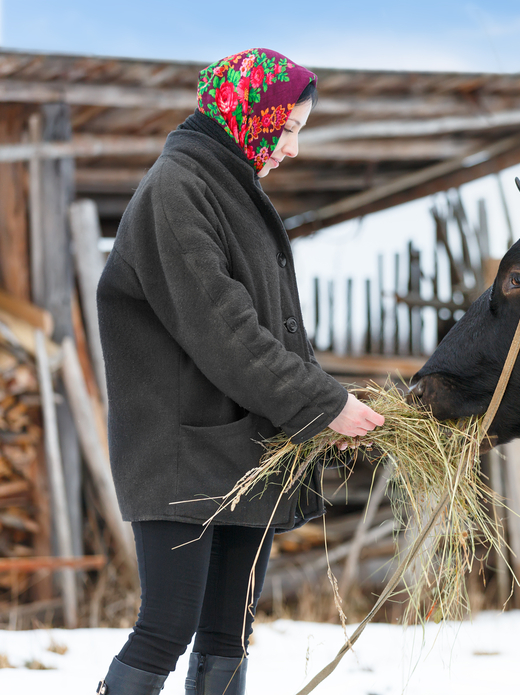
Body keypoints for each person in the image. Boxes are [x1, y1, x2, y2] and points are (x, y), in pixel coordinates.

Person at [94, 48, 384, 695]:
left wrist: (315, 415)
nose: (293, 148)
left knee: (230, 630)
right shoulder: (178, 188)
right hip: (180, 452)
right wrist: (320, 400)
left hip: (243, 449)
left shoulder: (230, 190)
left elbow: (276, 327)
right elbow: (224, 329)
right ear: (249, 115)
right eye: (288, 129)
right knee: (168, 625)